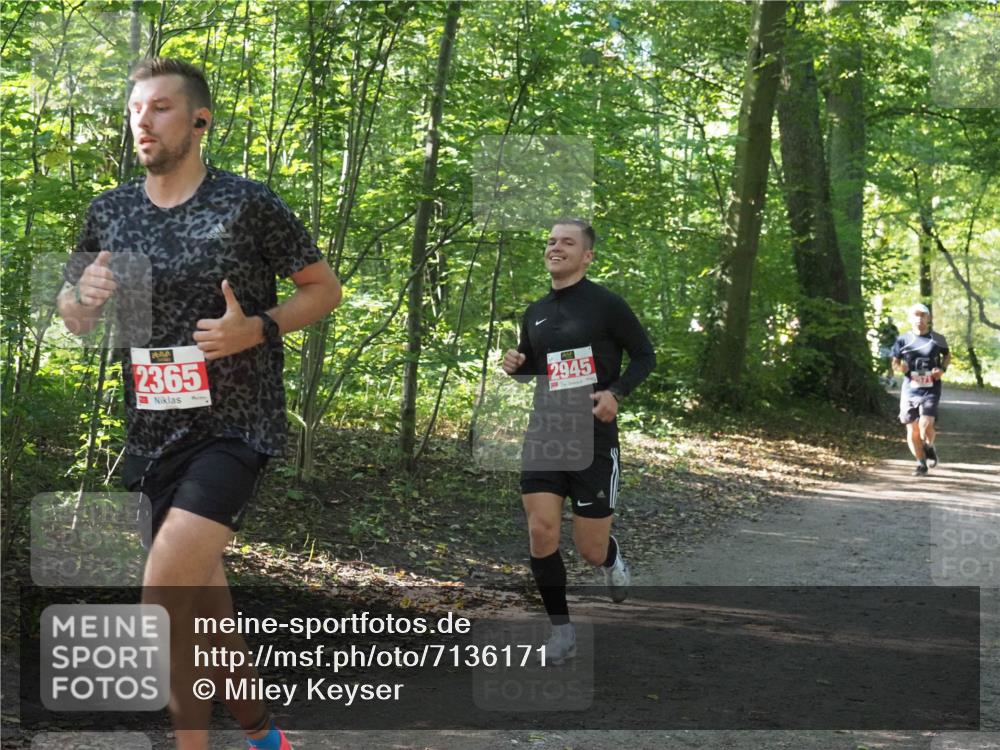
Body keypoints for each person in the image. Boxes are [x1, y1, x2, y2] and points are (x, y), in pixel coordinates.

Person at [57, 58, 342, 750]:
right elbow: (72, 314)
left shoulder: (247, 203)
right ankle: (265, 737)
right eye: (135, 110)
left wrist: (258, 327)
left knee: (164, 597)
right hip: (150, 432)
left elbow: (324, 288)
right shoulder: (110, 211)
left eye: (160, 108)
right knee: (208, 617)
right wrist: (81, 300)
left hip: (233, 425)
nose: (143, 122)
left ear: (200, 121)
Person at [501, 219, 655, 664]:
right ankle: (562, 631)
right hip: (545, 434)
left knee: (590, 549)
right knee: (541, 531)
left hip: (592, 439)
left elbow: (645, 355)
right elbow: (539, 368)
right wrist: (517, 364)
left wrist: (615, 393)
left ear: (587, 256)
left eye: (567, 242)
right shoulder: (536, 311)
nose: (556, 247)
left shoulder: (607, 305)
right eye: (551, 241)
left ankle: (610, 557)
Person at [890, 303, 950, 477]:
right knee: (912, 430)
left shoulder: (938, 338)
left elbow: (947, 356)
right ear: (910, 318)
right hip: (910, 388)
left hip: (931, 387)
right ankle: (921, 463)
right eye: (916, 315)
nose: (919, 318)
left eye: (923, 315)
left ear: (928, 318)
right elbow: (895, 362)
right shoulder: (902, 339)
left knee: (925, 425)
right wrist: (900, 367)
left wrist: (942, 370)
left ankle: (929, 446)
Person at [878, 316, 899, 387]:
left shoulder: (894, 328)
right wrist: (885, 336)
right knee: (882, 362)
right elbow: (880, 337)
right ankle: (880, 377)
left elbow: (897, 337)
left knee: (891, 363)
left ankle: (890, 378)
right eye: (889, 319)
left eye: (891, 319)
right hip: (884, 347)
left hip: (891, 347)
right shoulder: (884, 327)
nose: (890, 321)